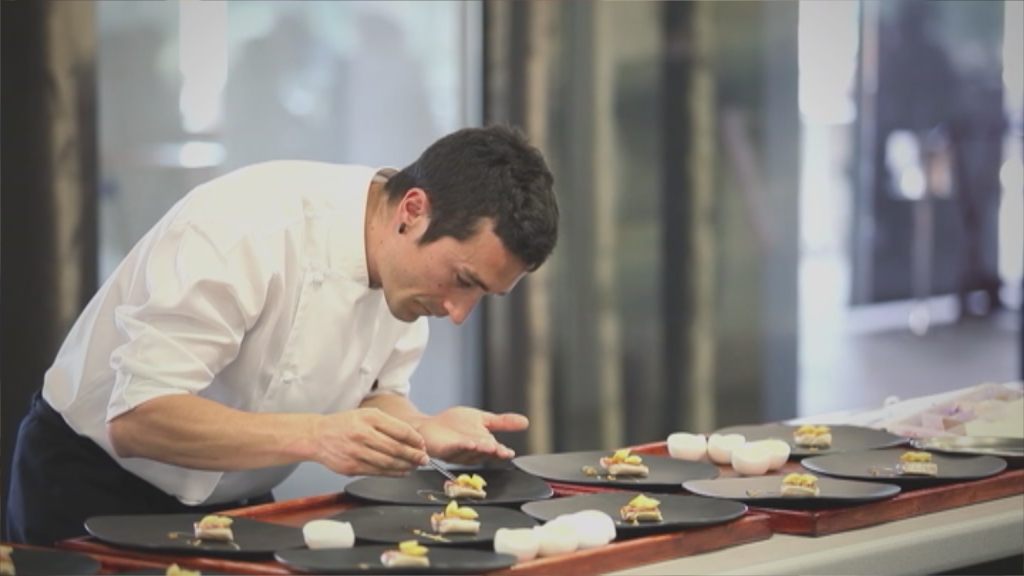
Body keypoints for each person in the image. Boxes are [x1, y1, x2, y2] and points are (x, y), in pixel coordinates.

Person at [5, 124, 560, 545]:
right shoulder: (247, 229)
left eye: (483, 294)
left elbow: (372, 393)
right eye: (463, 281)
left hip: (235, 503)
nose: (458, 313)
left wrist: (421, 428)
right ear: (413, 211)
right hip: (91, 482)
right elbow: (137, 417)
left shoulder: (408, 277)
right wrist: (317, 436)